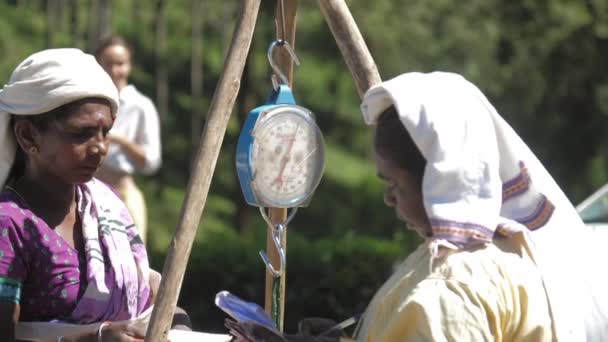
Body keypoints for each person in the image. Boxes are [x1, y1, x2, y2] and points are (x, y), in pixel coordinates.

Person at [227, 72, 608, 341]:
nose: (388, 199)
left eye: (394, 184)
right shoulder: (509, 250)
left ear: (437, 182)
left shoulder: (450, 291)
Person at [0, 49, 190, 342]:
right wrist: (95, 338)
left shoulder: (108, 206)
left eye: (106, 132)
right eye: (81, 133)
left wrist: (177, 327)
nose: (100, 147)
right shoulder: (9, 224)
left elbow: (150, 301)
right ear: (28, 136)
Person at [94, 36, 162, 244]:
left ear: (129, 65)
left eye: (120, 63)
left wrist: (119, 141)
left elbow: (151, 161)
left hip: (124, 192)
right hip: (89, 191)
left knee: (133, 260)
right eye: (108, 63)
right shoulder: (89, 102)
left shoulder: (141, 105)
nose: (114, 70)